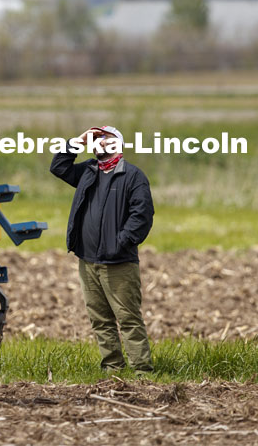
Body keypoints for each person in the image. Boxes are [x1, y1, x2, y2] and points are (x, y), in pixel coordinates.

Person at [50, 126, 155, 374]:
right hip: (87, 260)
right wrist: (79, 141)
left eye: (107, 139)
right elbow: (58, 167)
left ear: (118, 145)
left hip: (118, 262)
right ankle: (113, 370)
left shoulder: (132, 176)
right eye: (97, 139)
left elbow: (142, 216)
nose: (100, 143)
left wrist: (119, 243)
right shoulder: (88, 172)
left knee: (128, 318)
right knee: (100, 320)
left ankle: (142, 372)